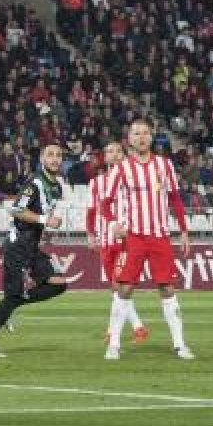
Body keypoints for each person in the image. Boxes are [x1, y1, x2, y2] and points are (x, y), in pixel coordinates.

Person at [99, 118, 193, 361]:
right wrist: (113, 224)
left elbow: (175, 199)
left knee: (167, 287)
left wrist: (183, 231)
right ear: (129, 139)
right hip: (134, 237)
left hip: (160, 236)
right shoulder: (122, 169)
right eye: (136, 133)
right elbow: (105, 204)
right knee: (126, 287)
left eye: (145, 133)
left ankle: (180, 345)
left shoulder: (164, 165)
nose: (141, 137)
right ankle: (114, 344)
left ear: (151, 137)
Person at [0, 143, 70, 357]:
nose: (54, 159)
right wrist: (45, 219)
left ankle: (14, 302)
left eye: (58, 155)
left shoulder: (56, 186)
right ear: (42, 159)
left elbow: (41, 215)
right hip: (16, 247)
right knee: (11, 297)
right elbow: (16, 209)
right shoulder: (34, 183)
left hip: (32, 247)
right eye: (50, 154)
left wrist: (45, 231)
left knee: (59, 284)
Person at [85, 141, 147, 346]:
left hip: (125, 240)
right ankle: (137, 327)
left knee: (120, 285)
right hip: (105, 240)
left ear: (124, 154)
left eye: (118, 151)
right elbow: (92, 210)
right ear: (105, 156)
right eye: (110, 151)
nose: (114, 154)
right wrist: (90, 234)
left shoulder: (133, 179)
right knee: (115, 288)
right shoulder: (97, 183)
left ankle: (114, 333)